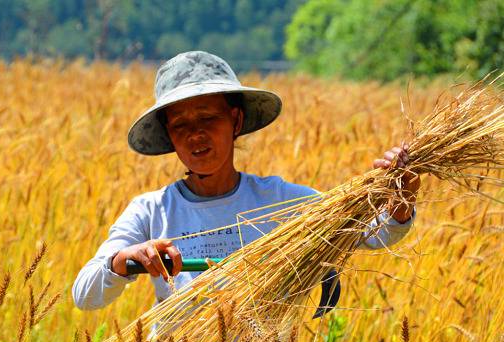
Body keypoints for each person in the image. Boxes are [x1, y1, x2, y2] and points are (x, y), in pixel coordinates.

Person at [72, 50, 420, 312]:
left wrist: (399, 197)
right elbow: (85, 295)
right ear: (169, 135)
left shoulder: (282, 201)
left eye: (208, 118)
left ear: (235, 121)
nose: (195, 135)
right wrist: (126, 259)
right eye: (180, 125)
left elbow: (377, 233)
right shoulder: (151, 211)